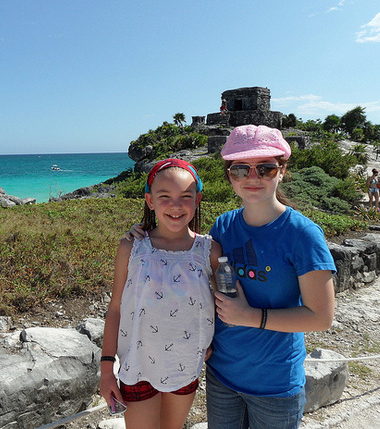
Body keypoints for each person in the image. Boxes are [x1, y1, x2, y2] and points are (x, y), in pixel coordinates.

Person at [128, 125, 336, 428]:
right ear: (230, 175)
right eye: (240, 169)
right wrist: (143, 233)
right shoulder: (224, 226)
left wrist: (251, 317)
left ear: (281, 171)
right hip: (221, 376)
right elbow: (192, 272)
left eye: (265, 168)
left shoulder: (302, 235)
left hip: (274, 383)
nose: (253, 177)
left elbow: (321, 317)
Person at [100, 158, 222, 429]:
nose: (175, 205)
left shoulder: (209, 251)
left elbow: (226, 305)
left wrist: (214, 342)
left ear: (197, 200)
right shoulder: (132, 247)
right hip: (137, 366)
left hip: (185, 364)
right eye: (164, 196)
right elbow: (116, 308)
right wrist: (107, 369)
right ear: (150, 200)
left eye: (185, 196)